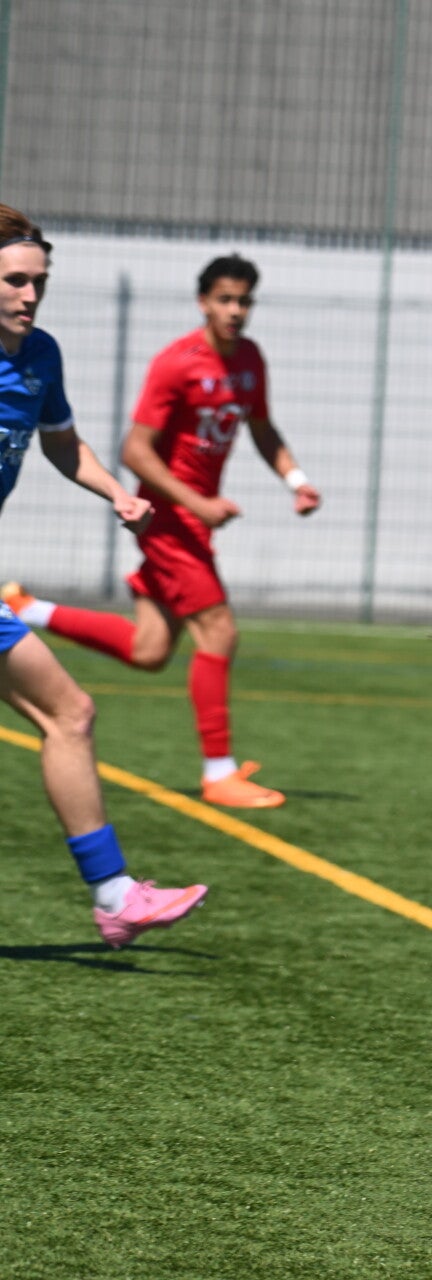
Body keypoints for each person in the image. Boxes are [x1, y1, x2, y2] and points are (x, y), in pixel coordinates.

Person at [5, 253, 321, 809]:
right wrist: (197, 502)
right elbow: (135, 450)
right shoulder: (178, 363)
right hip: (170, 520)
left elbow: (262, 426)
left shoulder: (249, 359)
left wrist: (296, 480)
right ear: (203, 302)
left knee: (150, 649)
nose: (236, 311)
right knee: (219, 631)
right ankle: (219, 773)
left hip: (195, 522)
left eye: (244, 301)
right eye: (225, 299)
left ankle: (29, 609)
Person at [0, 204, 208, 947]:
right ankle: (115, 895)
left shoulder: (40, 356)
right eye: (15, 281)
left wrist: (116, 492)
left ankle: (117, 895)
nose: (30, 295)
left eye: (39, 282)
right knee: (69, 713)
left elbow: (60, 444)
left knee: (71, 715)